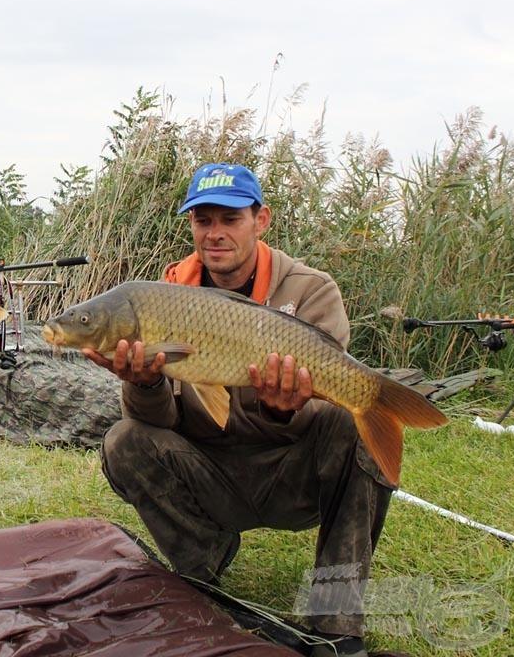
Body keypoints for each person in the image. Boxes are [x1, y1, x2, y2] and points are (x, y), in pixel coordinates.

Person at [93, 163, 393, 657]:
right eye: (203, 220)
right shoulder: (162, 298)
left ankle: (336, 619)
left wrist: (280, 411)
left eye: (230, 219)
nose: (214, 234)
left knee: (352, 420)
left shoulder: (311, 291)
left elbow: (313, 411)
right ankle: (203, 559)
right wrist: (144, 383)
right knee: (123, 440)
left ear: (261, 220)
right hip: (207, 474)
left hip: (289, 474)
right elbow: (157, 424)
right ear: (190, 225)